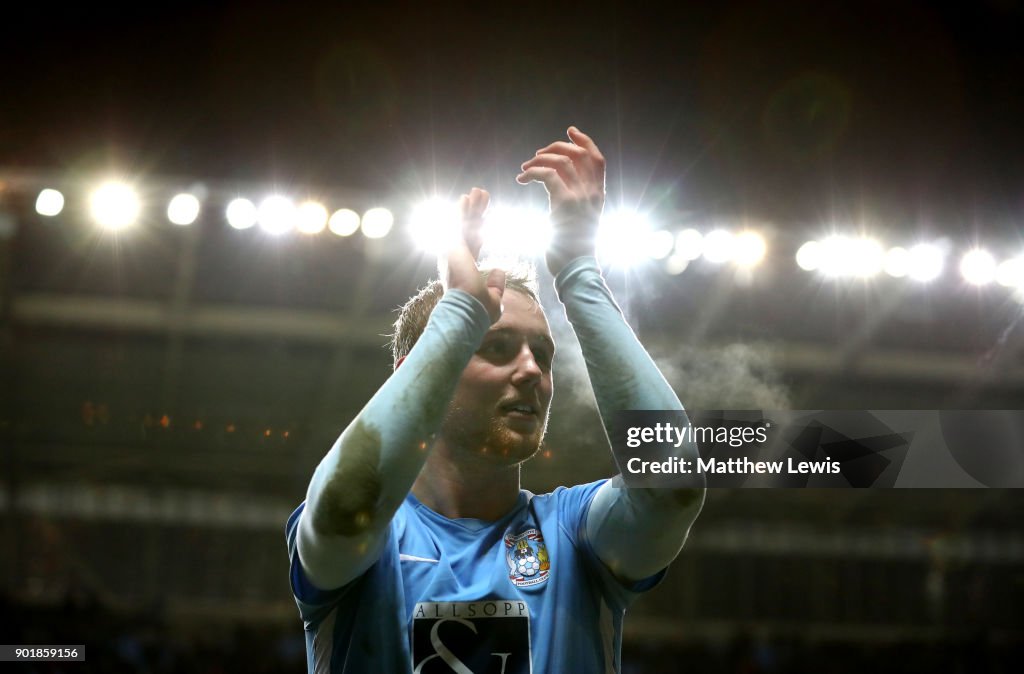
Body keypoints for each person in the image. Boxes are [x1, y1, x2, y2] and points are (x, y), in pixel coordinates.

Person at [285, 126, 705, 673]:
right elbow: (347, 506)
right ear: (423, 371)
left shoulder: (574, 533)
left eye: (543, 355)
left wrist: (579, 272)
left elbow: (672, 482)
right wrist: (459, 314)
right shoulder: (377, 535)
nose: (532, 370)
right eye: (498, 347)